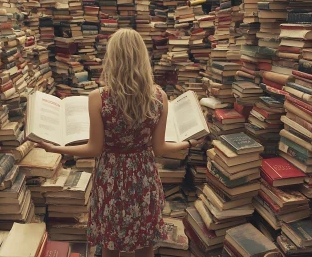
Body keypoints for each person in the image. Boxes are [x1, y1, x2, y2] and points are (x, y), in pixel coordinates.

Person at [37, 28, 204, 257]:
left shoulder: (99, 98)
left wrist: (56, 147)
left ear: (112, 58)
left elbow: (94, 149)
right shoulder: (159, 97)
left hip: (111, 177)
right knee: (145, 244)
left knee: (110, 245)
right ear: (142, 57)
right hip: (144, 175)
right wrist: (189, 143)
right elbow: (160, 149)